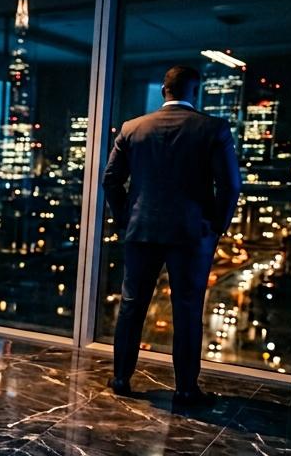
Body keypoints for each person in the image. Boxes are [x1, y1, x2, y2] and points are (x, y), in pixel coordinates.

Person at [103, 65, 241, 405]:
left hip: (141, 230)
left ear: (164, 90)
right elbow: (230, 185)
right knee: (188, 308)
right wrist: (216, 226)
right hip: (191, 234)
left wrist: (125, 218)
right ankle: (185, 388)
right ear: (194, 91)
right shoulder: (213, 129)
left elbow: (111, 179)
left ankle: (121, 378)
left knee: (133, 305)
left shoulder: (133, 128)